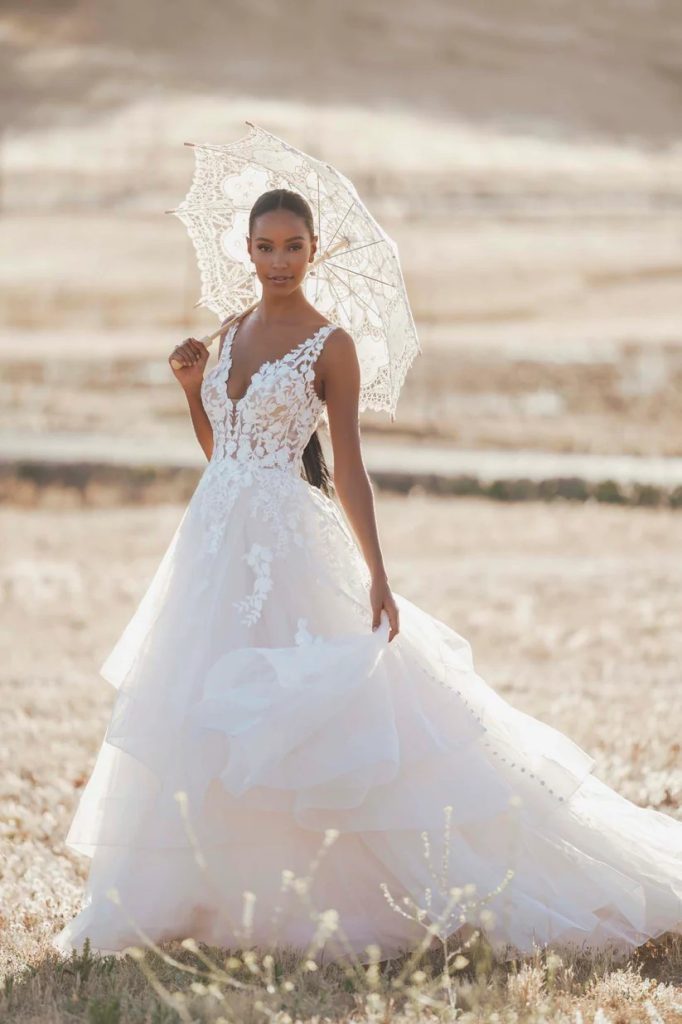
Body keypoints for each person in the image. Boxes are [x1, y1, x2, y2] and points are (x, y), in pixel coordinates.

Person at [53, 188, 682, 966]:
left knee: (308, 716)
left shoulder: (331, 345)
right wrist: (193, 392)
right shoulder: (228, 333)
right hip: (211, 545)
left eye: (293, 246)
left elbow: (347, 466)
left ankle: (324, 896)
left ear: (315, 251)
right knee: (208, 715)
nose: (278, 261)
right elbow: (227, 456)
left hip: (289, 545)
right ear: (244, 251)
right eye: (265, 246)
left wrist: (379, 571)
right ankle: (212, 891)